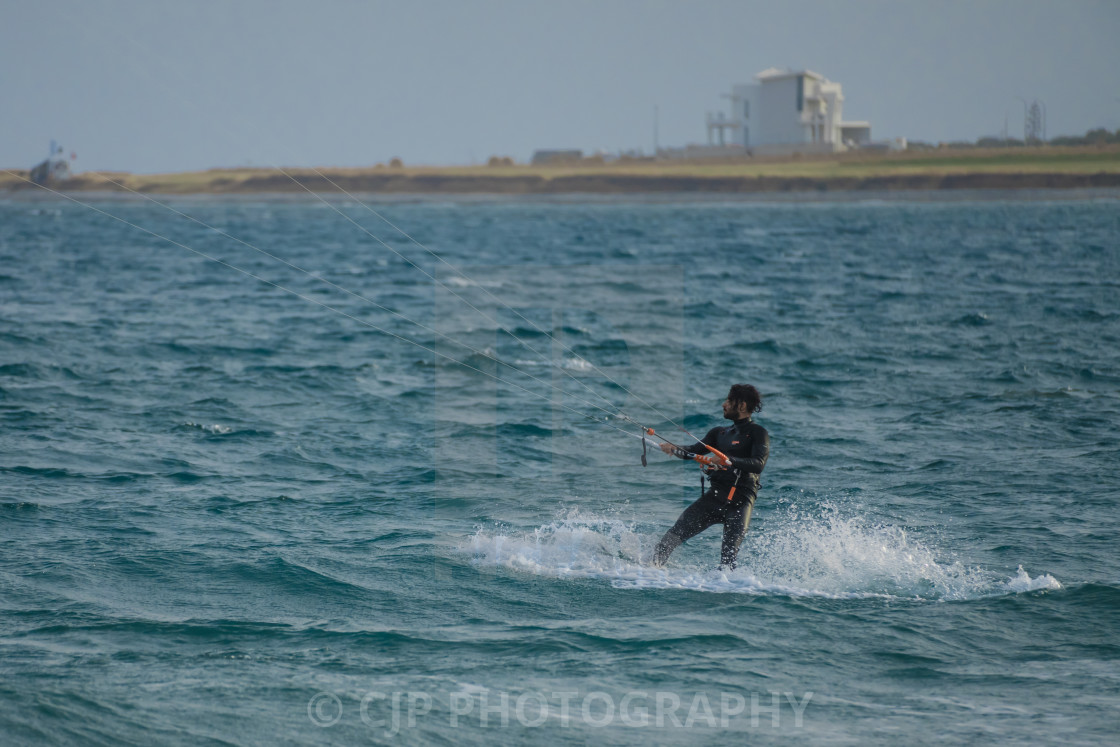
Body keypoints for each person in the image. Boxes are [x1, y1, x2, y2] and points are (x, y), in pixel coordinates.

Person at [652, 384, 769, 570]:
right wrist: (673, 448)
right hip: (715, 497)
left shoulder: (757, 433)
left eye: (729, 401)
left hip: (741, 501)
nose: (724, 404)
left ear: (742, 405)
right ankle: (648, 574)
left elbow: (758, 464)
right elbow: (692, 451)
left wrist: (728, 459)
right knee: (669, 540)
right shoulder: (719, 433)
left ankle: (724, 589)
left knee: (728, 561)